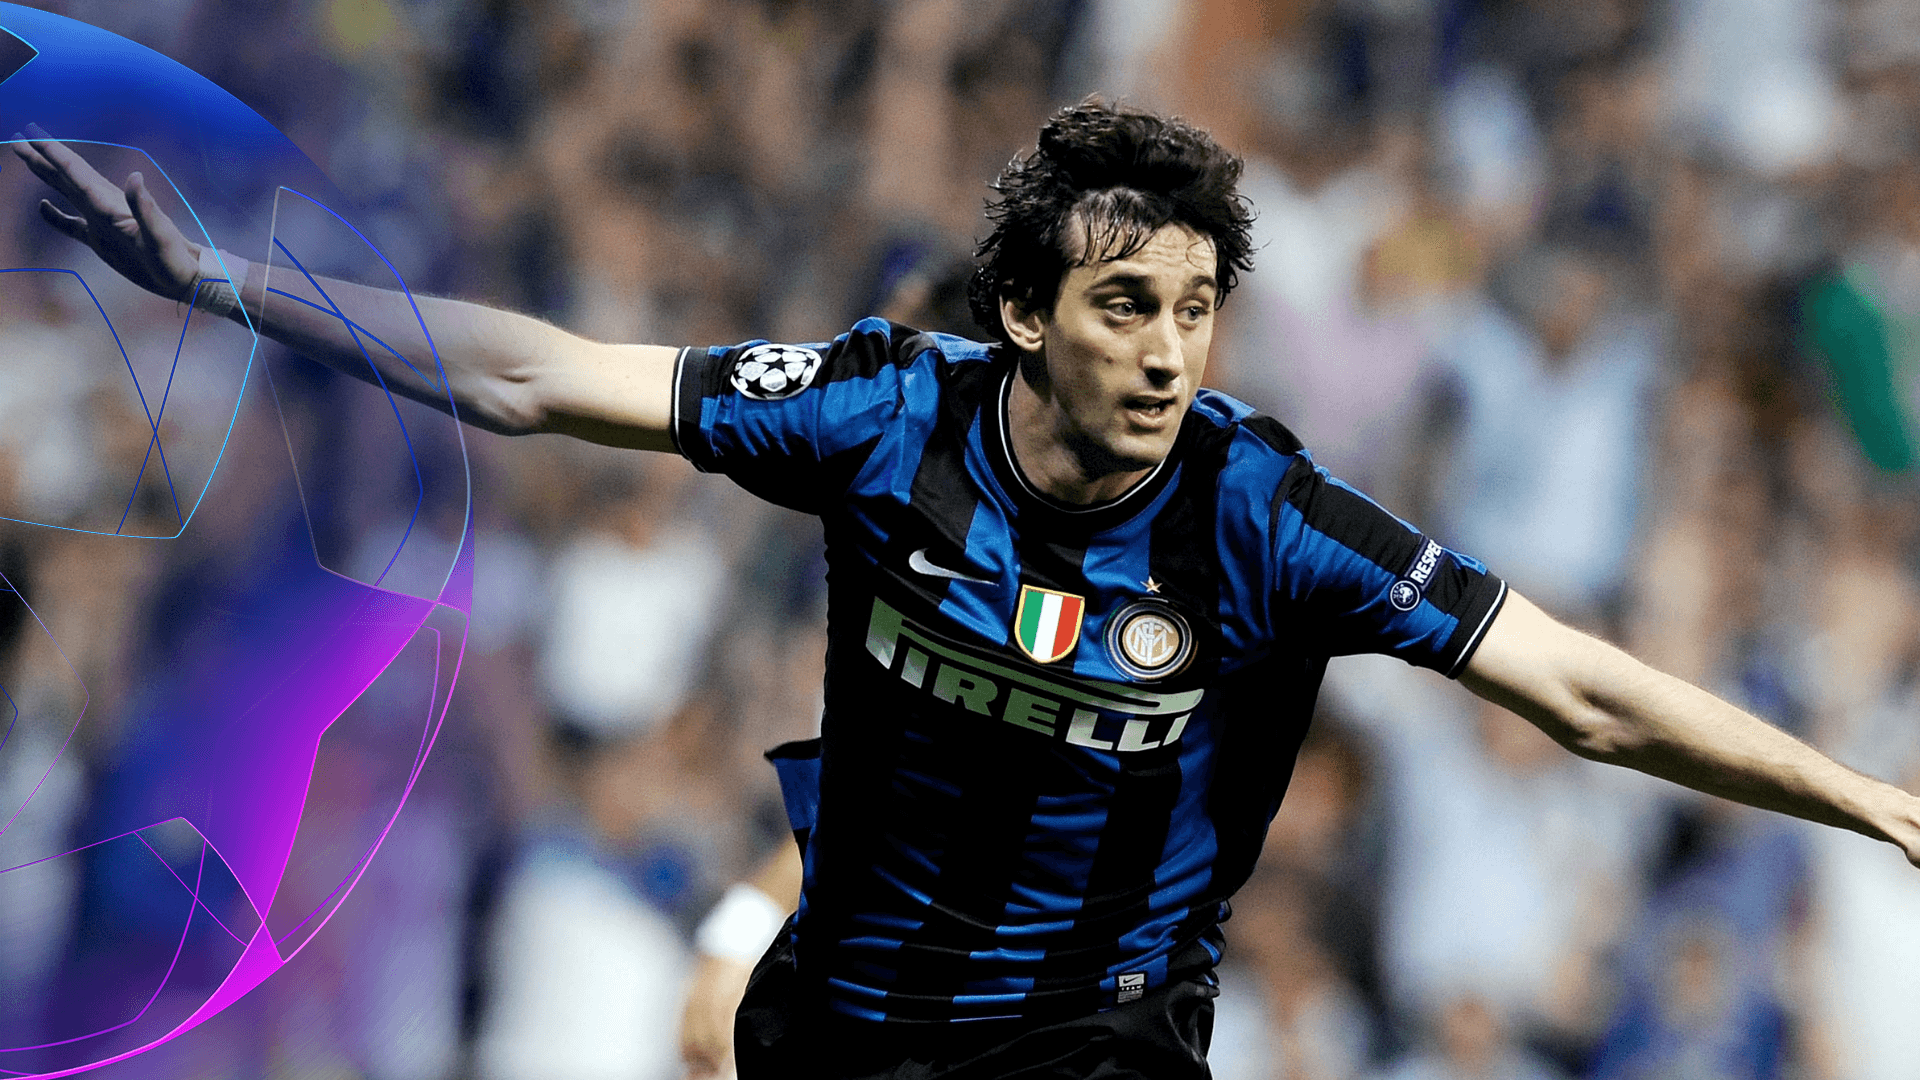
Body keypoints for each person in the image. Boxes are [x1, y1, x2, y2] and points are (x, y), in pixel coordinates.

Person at [14, 101, 1920, 1078]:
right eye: (1124, 305)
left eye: (1196, 309)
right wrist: (220, 279)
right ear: (1017, 316)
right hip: (846, 1022)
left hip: (1101, 1031)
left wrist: (1870, 801)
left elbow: (1580, 690)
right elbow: (534, 373)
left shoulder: (1266, 513)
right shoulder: (879, 411)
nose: (1167, 354)